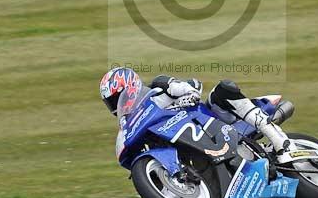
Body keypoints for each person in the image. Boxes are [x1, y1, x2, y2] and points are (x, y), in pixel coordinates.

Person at [100, 67, 292, 162]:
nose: (116, 104)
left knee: (222, 90)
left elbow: (193, 84)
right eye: (111, 102)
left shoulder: (158, 88)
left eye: (117, 97)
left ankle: (280, 141)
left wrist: (187, 96)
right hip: (192, 141)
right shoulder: (133, 120)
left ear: (130, 86)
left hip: (211, 120)